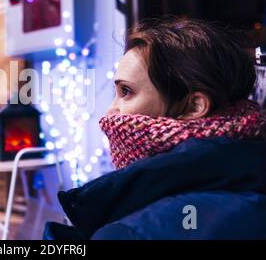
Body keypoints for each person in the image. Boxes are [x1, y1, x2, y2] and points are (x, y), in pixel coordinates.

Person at [44, 18, 266, 240]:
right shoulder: (249, 171)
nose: (110, 112)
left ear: (194, 106)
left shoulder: (129, 232)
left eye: (126, 91)